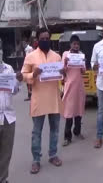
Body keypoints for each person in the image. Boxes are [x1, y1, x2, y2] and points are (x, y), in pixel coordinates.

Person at [21, 28, 64, 174]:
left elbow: (62, 77)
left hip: (54, 99)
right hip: (38, 99)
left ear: (50, 39)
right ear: (37, 40)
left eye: (47, 38)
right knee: (36, 132)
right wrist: (34, 74)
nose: (45, 41)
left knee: (55, 130)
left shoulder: (56, 57)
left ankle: (53, 155)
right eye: (42, 38)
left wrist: (63, 73)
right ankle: (36, 160)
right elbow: (23, 75)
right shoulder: (30, 56)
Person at [0, 49, 23, 183]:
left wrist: (19, 81)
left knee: (6, 153)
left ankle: (3, 179)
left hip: (8, 117)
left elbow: (13, 91)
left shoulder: (9, 69)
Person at [61, 35, 86, 147]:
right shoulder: (66, 54)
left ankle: (77, 131)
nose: (76, 46)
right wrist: (66, 63)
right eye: (74, 44)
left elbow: (83, 71)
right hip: (70, 86)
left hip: (79, 86)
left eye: (77, 44)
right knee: (69, 112)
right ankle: (67, 136)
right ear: (70, 44)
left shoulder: (81, 55)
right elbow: (62, 71)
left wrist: (82, 62)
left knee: (79, 110)